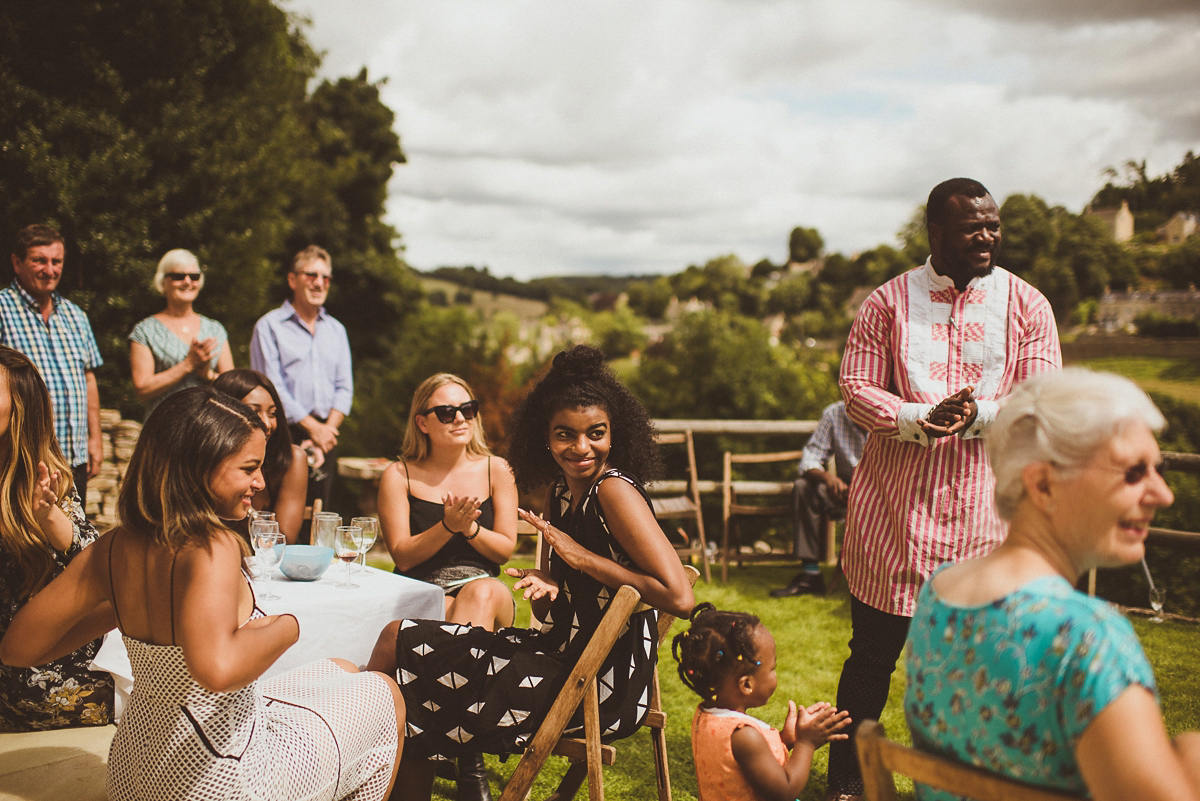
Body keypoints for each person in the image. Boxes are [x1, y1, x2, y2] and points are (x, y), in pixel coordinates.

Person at [0, 387, 404, 800]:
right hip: (215, 772)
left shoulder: (113, 546)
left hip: (135, 767)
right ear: (199, 466)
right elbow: (217, 669)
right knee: (383, 693)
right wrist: (288, 627)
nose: (260, 482)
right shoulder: (212, 545)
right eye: (249, 468)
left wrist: (118, 611)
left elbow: (17, 649)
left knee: (339, 667)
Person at [367, 344, 694, 801]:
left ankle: (354, 762)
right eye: (565, 435)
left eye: (595, 433)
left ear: (614, 433)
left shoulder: (614, 491)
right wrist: (551, 588)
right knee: (401, 647)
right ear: (545, 436)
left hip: (595, 682)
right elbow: (574, 586)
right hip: (559, 653)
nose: (581, 447)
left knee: (400, 647)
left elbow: (680, 597)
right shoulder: (561, 492)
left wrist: (582, 559)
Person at [826, 177, 1063, 801]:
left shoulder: (1027, 305)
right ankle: (850, 780)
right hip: (894, 518)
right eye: (971, 229)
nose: (986, 237)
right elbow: (855, 387)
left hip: (985, 522)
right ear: (935, 233)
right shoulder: (886, 303)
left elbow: (1040, 398)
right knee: (872, 662)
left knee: (983, 665)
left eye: (993, 226)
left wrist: (979, 415)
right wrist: (912, 418)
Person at [905, 368, 1200, 800]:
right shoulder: (1086, 638)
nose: (1163, 494)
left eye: (1157, 470)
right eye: (1134, 473)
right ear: (1044, 485)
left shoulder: (938, 592)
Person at [376, 372, 518, 801]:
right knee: (452, 609)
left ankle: (449, 750)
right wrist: (446, 526)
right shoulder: (398, 475)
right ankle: (466, 753)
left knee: (481, 591)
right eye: (446, 411)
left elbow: (505, 550)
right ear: (423, 422)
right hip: (424, 598)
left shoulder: (497, 469)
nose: (460, 418)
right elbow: (403, 555)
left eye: (467, 409)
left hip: (486, 599)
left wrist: (469, 530)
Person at [0, 345, 113, 731]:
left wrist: (47, 516)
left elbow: (90, 557)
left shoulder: (45, 474)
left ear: (20, 409)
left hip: (39, 667)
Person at [673, 603, 851, 801]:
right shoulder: (744, 736)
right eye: (772, 668)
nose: (775, 673)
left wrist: (786, 739)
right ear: (747, 684)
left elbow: (743, 764)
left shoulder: (705, 716)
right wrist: (806, 743)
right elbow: (785, 789)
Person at [0, 225, 103, 499]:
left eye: (56, 261)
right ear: (17, 262)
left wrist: (95, 439)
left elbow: (88, 378)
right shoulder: (2, 309)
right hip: (23, 457)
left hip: (74, 456)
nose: (50, 269)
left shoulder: (75, 315)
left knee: (72, 534)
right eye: (39, 260)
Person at [250, 245, 351, 511]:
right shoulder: (268, 326)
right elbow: (271, 387)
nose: (319, 283)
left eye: (325, 277)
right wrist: (314, 429)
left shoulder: (337, 330)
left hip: (327, 435)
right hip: (280, 431)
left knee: (320, 511)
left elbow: (345, 388)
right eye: (311, 275)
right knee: (280, 514)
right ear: (293, 279)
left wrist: (326, 430)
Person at [770, 400, 866, 597]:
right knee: (803, 487)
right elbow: (810, 459)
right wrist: (829, 479)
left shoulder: (894, 412)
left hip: (881, 494)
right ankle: (810, 574)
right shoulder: (835, 413)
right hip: (843, 492)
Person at [129, 248, 233, 419]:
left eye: (194, 276)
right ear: (163, 282)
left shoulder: (215, 329)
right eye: (178, 276)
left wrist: (207, 375)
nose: (187, 281)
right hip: (164, 429)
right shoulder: (144, 331)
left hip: (208, 430)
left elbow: (233, 387)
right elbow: (142, 389)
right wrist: (188, 364)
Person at [213, 369, 309, 544]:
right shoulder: (207, 461)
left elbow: (283, 539)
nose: (266, 423)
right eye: (253, 411)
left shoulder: (292, 458)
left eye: (272, 414)